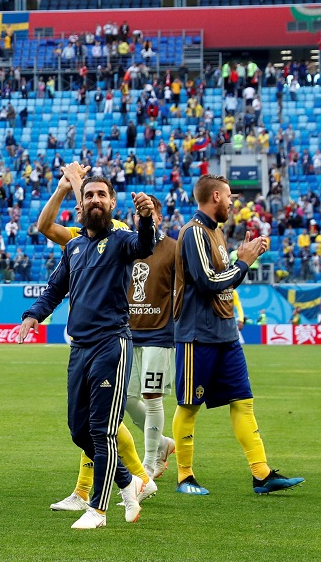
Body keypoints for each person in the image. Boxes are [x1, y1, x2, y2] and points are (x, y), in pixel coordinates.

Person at [19, 172, 157, 529]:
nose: (95, 200)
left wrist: (145, 219)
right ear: (79, 205)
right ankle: (130, 481)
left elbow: (145, 246)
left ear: (112, 203)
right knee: (79, 431)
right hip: (79, 348)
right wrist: (33, 316)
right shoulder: (74, 246)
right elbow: (53, 290)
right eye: (89, 195)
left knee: (102, 431)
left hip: (112, 344)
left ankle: (97, 509)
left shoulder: (124, 239)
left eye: (102, 195)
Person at [172, 174, 304, 496]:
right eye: (229, 196)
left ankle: (261, 475)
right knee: (189, 406)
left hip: (225, 333)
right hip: (197, 336)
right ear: (215, 196)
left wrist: (243, 260)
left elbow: (223, 280)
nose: (233, 202)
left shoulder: (216, 232)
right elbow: (208, 283)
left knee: (243, 402)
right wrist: (242, 263)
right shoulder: (193, 233)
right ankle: (184, 477)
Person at [122, 197, 177, 478]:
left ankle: (150, 462)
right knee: (125, 399)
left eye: (149, 212)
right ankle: (163, 443)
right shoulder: (128, 246)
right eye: (138, 214)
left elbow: (182, 291)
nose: (142, 217)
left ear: (159, 215)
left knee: (152, 397)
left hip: (159, 334)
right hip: (128, 335)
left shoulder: (173, 248)